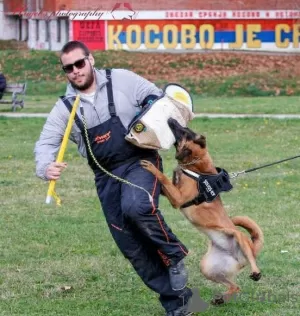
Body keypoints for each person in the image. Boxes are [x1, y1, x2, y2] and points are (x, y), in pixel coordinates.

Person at [34, 41, 193, 316]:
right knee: (131, 245)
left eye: (79, 64)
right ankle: (180, 304)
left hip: (140, 161)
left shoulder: (122, 79)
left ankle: (175, 253)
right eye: (68, 68)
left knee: (137, 207)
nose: (75, 71)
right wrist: (46, 166)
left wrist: (150, 111)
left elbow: (156, 98)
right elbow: (46, 142)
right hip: (105, 177)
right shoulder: (65, 107)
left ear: (90, 60)